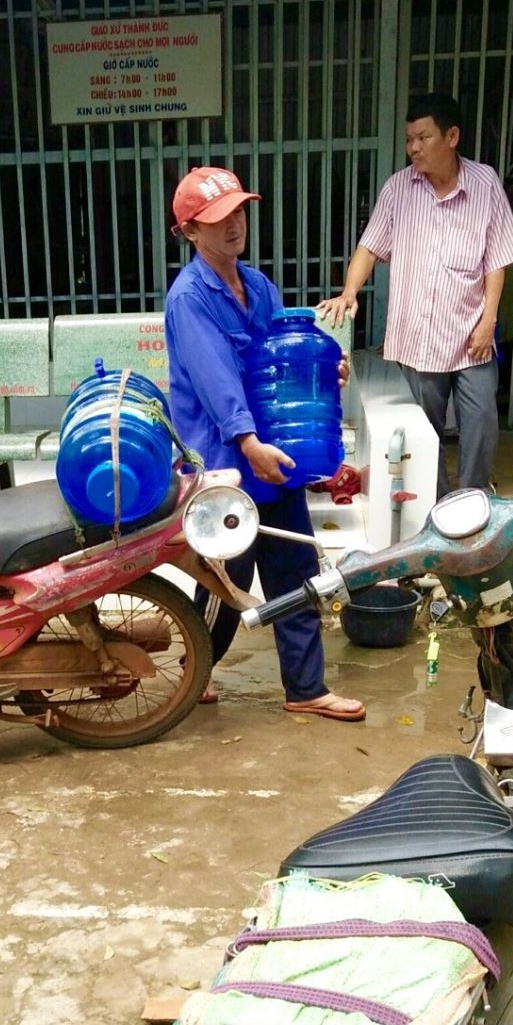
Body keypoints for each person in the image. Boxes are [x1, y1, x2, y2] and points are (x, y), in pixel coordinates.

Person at [165, 167, 365, 723]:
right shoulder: (190, 298)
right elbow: (215, 381)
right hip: (227, 460)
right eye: (217, 219)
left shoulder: (258, 286)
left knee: (295, 570)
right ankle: (196, 671)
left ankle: (306, 687)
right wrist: (248, 441)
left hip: (274, 455)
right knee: (227, 580)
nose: (233, 225)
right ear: (190, 231)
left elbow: (278, 363)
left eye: (238, 211)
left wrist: (324, 372)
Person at [317, 93, 513, 499]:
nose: (413, 148)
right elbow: (369, 247)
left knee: (481, 421)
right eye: (409, 139)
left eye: (423, 137)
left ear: (452, 137)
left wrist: (489, 321)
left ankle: (473, 499)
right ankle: (439, 504)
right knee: (426, 433)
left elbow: (496, 259)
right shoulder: (399, 188)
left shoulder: (485, 184)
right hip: (419, 335)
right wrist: (349, 291)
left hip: (471, 333)